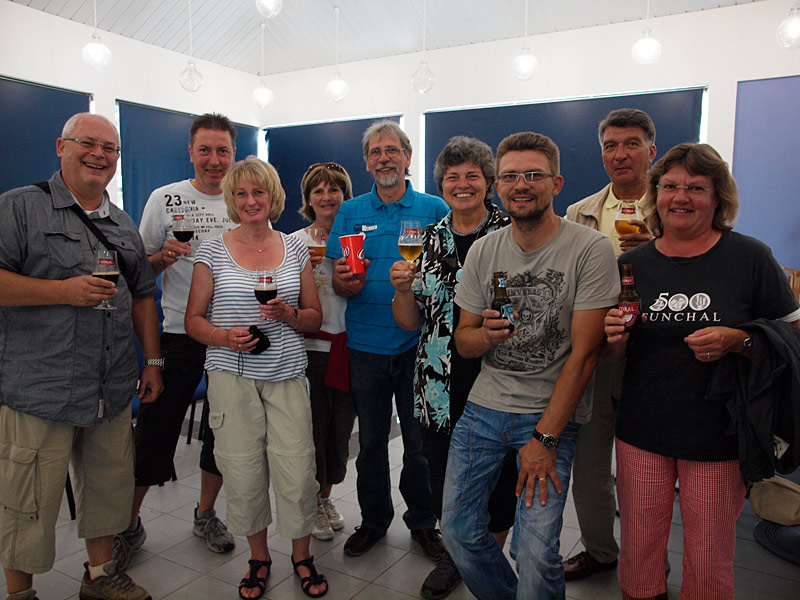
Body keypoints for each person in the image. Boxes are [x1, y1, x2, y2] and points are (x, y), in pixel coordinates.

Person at [603, 143, 800, 600]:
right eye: (670, 186)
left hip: (720, 435)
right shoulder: (632, 265)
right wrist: (614, 339)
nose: (680, 197)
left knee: (709, 558)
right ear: (656, 194)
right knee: (639, 552)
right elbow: (614, 358)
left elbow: (793, 340)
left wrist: (740, 340)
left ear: (717, 197)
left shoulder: (750, 257)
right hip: (642, 430)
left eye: (696, 187)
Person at [442, 131, 619, 600]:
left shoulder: (590, 249)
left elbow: (585, 355)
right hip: (484, 407)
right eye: (510, 176)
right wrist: (485, 336)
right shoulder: (484, 250)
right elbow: (463, 341)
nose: (521, 185)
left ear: (556, 183)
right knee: (457, 532)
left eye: (533, 175)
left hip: (549, 412)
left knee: (536, 552)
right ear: (497, 186)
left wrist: (545, 438)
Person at [0, 113, 162, 600]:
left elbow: (142, 294)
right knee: (28, 499)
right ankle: (20, 593)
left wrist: (153, 362)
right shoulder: (19, 207)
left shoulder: (122, 223)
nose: (99, 154)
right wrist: (62, 291)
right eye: (87, 143)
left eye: (110, 148)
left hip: (109, 387)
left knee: (109, 488)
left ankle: (100, 576)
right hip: (40, 387)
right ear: (61, 146)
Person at [185, 156, 326, 599]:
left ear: (272, 197)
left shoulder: (295, 248)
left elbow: (313, 317)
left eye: (258, 192)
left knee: (297, 469)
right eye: (242, 193)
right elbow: (193, 320)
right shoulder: (211, 250)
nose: (250, 201)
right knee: (243, 470)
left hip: (286, 374)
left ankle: (301, 555)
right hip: (231, 375)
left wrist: (288, 314)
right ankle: (259, 557)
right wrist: (224, 337)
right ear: (232, 199)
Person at [389, 136, 515, 599]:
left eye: (472, 176)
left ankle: (487, 559)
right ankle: (457, 554)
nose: (462, 184)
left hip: (499, 376)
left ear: (488, 182)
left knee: (499, 477)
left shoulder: (511, 233)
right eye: (452, 177)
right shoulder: (428, 240)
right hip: (437, 382)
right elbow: (410, 323)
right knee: (443, 475)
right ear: (441, 184)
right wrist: (402, 290)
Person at [115, 113, 237, 568]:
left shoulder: (242, 198)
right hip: (178, 334)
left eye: (222, 150)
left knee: (220, 432)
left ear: (234, 154)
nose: (214, 159)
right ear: (190, 152)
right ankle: (129, 523)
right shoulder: (164, 198)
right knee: (155, 428)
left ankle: (205, 514)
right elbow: (137, 272)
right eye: (205, 150)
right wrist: (162, 259)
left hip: (228, 337)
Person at [326, 120, 450, 560]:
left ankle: (423, 522)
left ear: (407, 157)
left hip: (418, 346)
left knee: (419, 446)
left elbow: (449, 271)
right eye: (375, 152)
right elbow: (339, 281)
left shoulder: (435, 208)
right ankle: (374, 521)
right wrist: (344, 282)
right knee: (371, 445)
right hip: (365, 346)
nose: (384, 158)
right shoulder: (350, 212)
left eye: (392, 150)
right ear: (366, 162)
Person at [562, 108, 655, 580]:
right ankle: (600, 550)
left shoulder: (675, 206)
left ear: (651, 150)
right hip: (597, 349)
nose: (620, 154)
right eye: (610, 146)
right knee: (591, 459)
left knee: (650, 468)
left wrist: (657, 245)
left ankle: (649, 564)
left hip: (657, 353)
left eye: (631, 144)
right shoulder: (579, 212)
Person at [291, 162, 354, 541]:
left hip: (348, 348)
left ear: (345, 196)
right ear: (308, 199)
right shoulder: (294, 242)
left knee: (340, 433)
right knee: (312, 431)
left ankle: (326, 497)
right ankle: (311, 502)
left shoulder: (353, 238)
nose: (327, 197)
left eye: (334, 190)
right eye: (319, 191)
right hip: (310, 349)